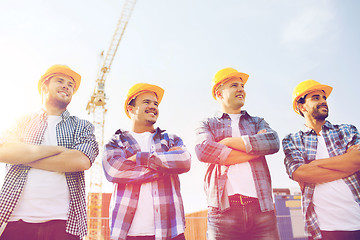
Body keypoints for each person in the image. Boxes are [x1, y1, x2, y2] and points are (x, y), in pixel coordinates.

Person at [0, 64, 99, 240]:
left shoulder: (82, 126)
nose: (66, 86)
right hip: (14, 219)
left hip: (64, 223)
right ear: (44, 87)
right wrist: (58, 150)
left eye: (70, 85)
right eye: (60, 81)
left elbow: (81, 161)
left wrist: (23, 157)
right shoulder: (21, 121)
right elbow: (4, 151)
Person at [195, 67, 280, 240]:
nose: (241, 89)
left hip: (262, 209)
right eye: (234, 85)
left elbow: (273, 142)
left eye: (242, 86)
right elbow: (203, 150)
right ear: (219, 93)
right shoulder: (208, 124)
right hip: (222, 212)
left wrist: (225, 144)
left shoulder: (257, 122)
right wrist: (257, 149)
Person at [103, 83, 191, 240]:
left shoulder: (171, 139)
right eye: (146, 102)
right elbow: (114, 171)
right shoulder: (116, 141)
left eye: (155, 103)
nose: (153, 107)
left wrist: (138, 159)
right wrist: (165, 166)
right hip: (128, 233)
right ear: (130, 109)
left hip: (171, 231)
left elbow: (184, 161)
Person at [282, 80, 360, 240]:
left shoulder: (347, 130)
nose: (323, 101)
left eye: (324, 98)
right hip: (322, 229)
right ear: (302, 107)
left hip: (357, 221)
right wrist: (346, 162)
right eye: (316, 98)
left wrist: (316, 165)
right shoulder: (293, 140)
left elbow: (357, 160)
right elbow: (300, 173)